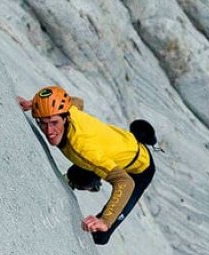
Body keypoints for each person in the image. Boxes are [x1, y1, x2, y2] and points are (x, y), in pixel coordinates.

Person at [17, 85, 155, 245]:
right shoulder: (69, 110)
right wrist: (35, 105)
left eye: (54, 123)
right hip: (114, 145)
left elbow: (126, 182)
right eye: (43, 123)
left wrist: (105, 220)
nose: (49, 131)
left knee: (100, 234)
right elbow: (77, 102)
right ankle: (89, 180)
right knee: (78, 174)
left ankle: (90, 182)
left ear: (65, 118)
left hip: (140, 170)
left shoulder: (81, 148)